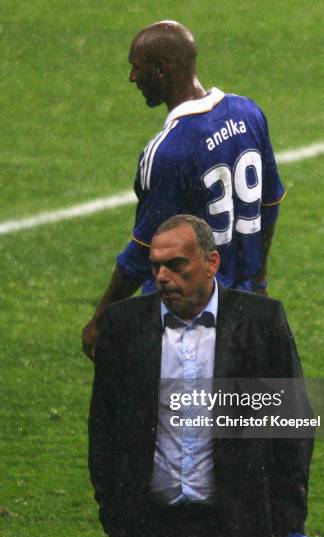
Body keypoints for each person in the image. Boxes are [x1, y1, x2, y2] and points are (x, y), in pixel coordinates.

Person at [88, 215, 314, 537]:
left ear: (211, 263)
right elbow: (103, 430)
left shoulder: (260, 322)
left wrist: (286, 524)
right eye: (156, 265)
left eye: (176, 265)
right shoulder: (124, 328)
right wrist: (116, 514)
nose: (162, 276)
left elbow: (293, 428)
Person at [82, 19, 286, 361]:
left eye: (137, 68)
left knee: (174, 412)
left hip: (184, 320)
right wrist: (259, 280)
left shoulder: (168, 151)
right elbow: (270, 204)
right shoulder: (248, 113)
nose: (132, 78)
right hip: (244, 310)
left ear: (161, 70)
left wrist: (100, 319)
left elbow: (142, 250)